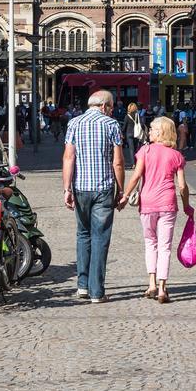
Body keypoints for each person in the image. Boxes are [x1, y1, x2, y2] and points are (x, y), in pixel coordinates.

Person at [63, 90, 125, 303]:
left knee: (83, 234)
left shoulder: (74, 123)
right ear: (105, 106)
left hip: (80, 187)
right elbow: (117, 162)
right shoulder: (111, 125)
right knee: (100, 237)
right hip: (103, 188)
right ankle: (97, 291)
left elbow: (68, 157)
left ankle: (82, 286)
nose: (112, 110)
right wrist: (121, 190)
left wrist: (66, 189)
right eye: (111, 107)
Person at [119, 116, 188, 303]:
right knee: (165, 246)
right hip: (168, 203)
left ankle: (151, 283)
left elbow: (136, 176)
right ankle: (163, 287)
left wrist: (125, 196)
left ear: (160, 132)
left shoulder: (145, 151)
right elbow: (181, 186)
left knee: (150, 243)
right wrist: (187, 205)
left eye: (151, 129)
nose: (148, 132)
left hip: (147, 203)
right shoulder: (176, 156)